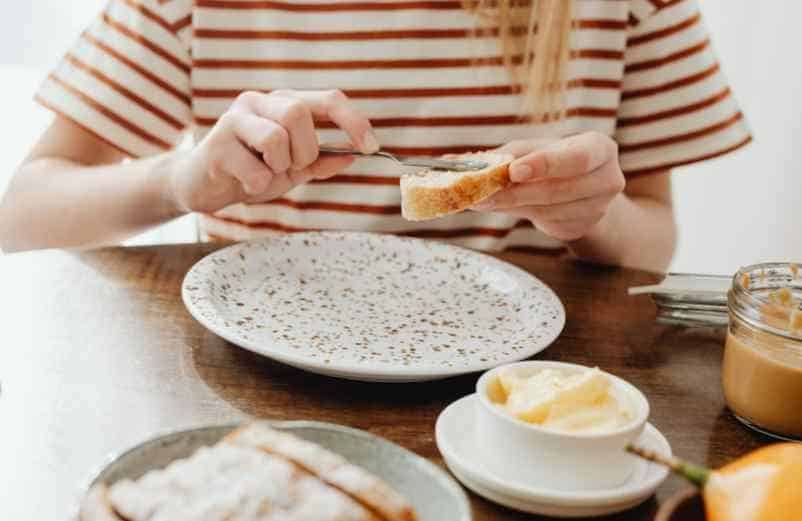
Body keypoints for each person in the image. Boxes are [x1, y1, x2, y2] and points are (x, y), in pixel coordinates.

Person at [0, 0, 750, 271]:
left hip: (515, 399)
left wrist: (593, 218)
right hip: (254, 385)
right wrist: (178, 181)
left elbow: (655, 241)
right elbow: (22, 212)